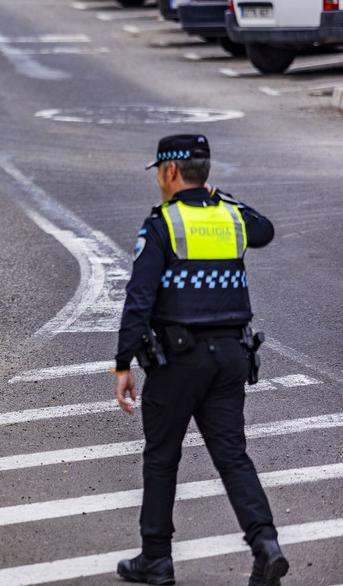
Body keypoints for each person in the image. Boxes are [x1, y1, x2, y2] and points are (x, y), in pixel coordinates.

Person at [113, 135, 287, 586]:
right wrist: (220, 197)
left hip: (178, 361)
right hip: (231, 356)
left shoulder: (163, 225)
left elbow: (138, 299)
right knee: (232, 456)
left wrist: (122, 364)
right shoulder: (231, 218)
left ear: (171, 172)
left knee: (161, 458)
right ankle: (265, 544)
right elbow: (264, 228)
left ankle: (156, 559)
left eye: (159, 172)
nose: (157, 180)